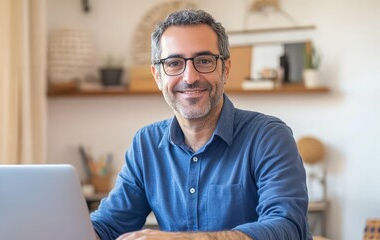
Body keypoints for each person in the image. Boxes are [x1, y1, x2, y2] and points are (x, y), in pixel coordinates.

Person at [91, 9, 312, 240]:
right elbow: (109, 224)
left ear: (225, 69)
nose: (190, 77)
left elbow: (288, 228)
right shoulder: (146, 144)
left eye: (204, 61)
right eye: (174, 63)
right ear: (157, 76)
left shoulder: (268, 137)